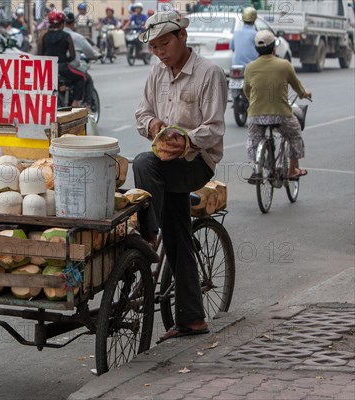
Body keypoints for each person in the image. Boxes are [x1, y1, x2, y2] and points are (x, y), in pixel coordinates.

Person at [132, 11, 227, 342]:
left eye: (165, 44)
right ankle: (192, 318)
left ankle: (147, 235)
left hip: (196, 162)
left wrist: (185, 140)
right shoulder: (156, 73)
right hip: (167, 164)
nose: (160, 52)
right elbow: (142, 113)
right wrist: (155, 126)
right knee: (178, 234)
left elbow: (214, 128)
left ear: (182, 37)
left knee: (143, 163)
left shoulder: (208, 73)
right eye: (155, 47)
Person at [244, 30, 312, 182]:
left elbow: (247, 90)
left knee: (253, 138)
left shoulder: (249, 67)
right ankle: (293, 170)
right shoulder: (284, 65)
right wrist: (304, 94)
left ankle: (256, 168)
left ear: (256, 49)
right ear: (274, 47)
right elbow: (297, 87)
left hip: (255, 115)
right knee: (295, 133)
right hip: (281, 115)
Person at [37, 10, 85, 108]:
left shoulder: (43, 36)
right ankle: (75, 102)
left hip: (47, 69)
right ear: (63, 23)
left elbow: (39, 55)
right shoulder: (67, 36)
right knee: (81, 77)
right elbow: (72, 56)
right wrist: (65, 60)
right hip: (62, 68)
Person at [64, 12, 100, 106]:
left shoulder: (49, 35)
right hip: (68, 67)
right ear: (73, 23)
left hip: (54, 68)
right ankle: (86, 105)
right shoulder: (76, 37)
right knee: (85, 78)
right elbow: (90, 52)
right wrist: (96, 55)